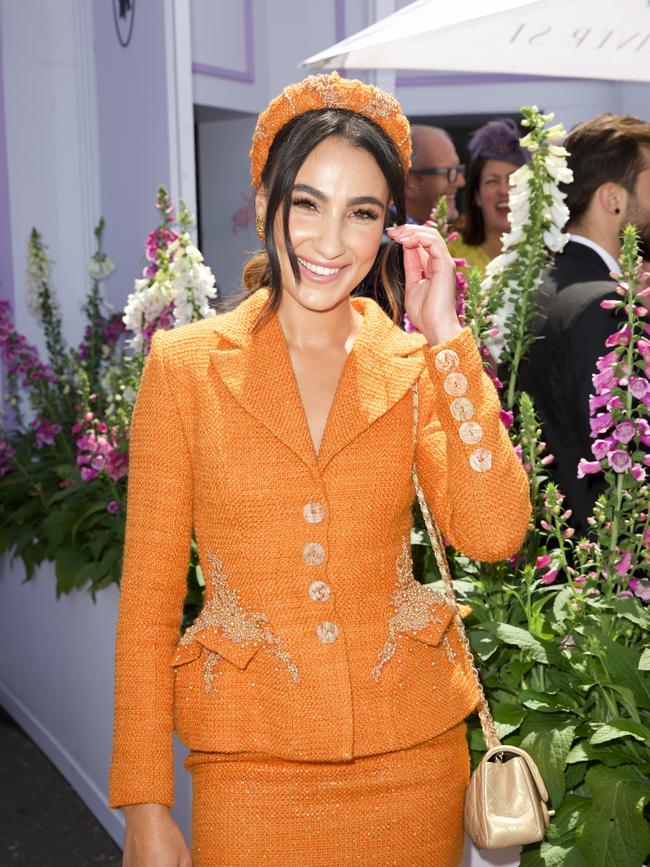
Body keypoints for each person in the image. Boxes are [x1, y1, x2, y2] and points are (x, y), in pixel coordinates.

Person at [108, 71, 530, 867]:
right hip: (250, 768)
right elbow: (148, 603)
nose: (330, 242)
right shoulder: (186, 367)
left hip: (415, 762)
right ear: (268, 199)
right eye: (308, 203)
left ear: (389, 229)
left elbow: (495, 529)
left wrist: (446, 340)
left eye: (362, 212)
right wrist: (143, 803)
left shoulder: (408, 362)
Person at [519, 113, 650, 535]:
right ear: (612, 198)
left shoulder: (529, 287)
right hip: (601, 571)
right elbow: (614, 462)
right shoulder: (603, 304)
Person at [358, 123, 465, 316]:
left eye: (458, 170)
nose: (460, 181)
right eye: (449, 172)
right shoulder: (384, 245)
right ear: (410, 180)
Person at [448, 118, 529, 277]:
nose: (504, 190)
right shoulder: (450, 255)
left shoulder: (546, 252)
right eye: (492, 181)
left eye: (513, 180)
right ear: (477, 196)